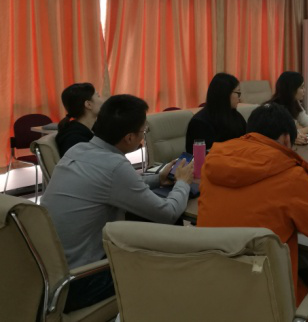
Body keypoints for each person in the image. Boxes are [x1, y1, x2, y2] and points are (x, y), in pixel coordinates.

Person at [41, 94, 194, 312]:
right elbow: (168, 213)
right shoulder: (114, 165)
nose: (144, 135)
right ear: (129, 137)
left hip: (47, 276)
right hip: (78, 284)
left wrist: (158, 178)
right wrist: (182, 183)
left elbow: (115, 184)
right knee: (166, 258)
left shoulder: (79, 150)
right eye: (143, 131)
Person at [197, 103, 308, 306]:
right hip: (263, 297)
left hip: (211, 287)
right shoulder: (290, 175)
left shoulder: (213, 162)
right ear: (287, 139)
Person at [185, 73, 246, 154]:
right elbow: (204, 155)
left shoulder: (235, 115)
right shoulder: (200, 123)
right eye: (238, 93)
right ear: (225, 94)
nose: (239, 98)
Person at [267, 71, 308, 145]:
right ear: (291, 89)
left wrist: (296, 133)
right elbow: (271, 136)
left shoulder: (295, 105)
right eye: (301, 87)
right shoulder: (271, 109)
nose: (304, 90)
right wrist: (293, 135)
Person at [55, 83, 105, 157]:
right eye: (98, 96)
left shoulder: (92, 129)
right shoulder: (74, 139)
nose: (103, 100)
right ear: (88, 104)